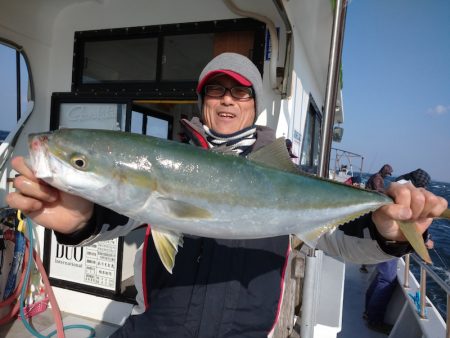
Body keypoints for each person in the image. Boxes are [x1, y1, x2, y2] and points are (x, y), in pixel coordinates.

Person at [5, 53, 447, 337]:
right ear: (201, 104)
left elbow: (339, 241)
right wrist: (81, 219)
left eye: (240, 91)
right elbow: (116, 213)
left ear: (256, 104)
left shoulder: (286, 173)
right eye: (215, 91)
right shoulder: (163, 166)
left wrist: (385, 230)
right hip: (156, 329)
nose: (227, 100)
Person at [363, 168, 433, 335]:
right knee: (387, 278)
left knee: (383, 276)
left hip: (380, 240)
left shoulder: (400, 186)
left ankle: (368, 310)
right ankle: (373, 319)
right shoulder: (406, 194)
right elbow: (406, 224)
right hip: (389, 243)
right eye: (423, 186)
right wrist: (425, 241)